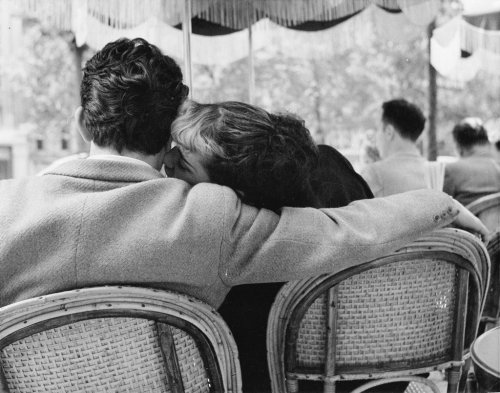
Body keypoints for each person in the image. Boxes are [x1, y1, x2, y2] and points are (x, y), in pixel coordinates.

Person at [0, 37, 487, 317]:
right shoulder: (211, 217)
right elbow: (346, 231)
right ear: (170, 135)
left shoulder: (6, 210)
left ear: (82, 124)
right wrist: (439, 204)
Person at [166, 99, 374, 391]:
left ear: (231, 194)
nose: (169, 160)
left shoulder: (225, 248)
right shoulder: (332, 168)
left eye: (185, 163)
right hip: (375, 371)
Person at [360, 99, 445, 197]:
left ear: (389, 132)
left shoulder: (374, 174)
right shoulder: (436, 174)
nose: (376, 136)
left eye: (378, 128)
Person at [443, 118, 500, 206]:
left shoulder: (451, 170)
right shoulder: (497, 169)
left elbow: (442, 207)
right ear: (486, 142)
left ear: (458, 146)